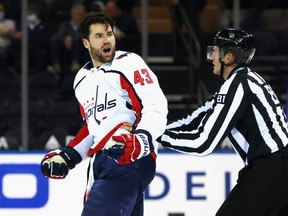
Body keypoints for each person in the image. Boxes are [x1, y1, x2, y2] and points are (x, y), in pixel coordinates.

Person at [40, 11, 168, 216]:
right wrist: (68, 156)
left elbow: (155, 106)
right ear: (86, 43)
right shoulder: (81, 79)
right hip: (100, 164)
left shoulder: (128, 63)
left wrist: (141, 140)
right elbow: (93, 127)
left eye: (109, 33)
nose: (106, 39)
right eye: (98, 36)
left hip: (127, 159)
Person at [158, 28, 288, 216]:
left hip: (271, 169)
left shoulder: (237, 86)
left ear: (228, 57)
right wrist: (153, 130)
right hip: (277, 167)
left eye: (214, 51)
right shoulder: (246, 80)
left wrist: (156, 137)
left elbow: (202, 143)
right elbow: (196, 118)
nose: (211, 57)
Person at [48, 3, 89, 78]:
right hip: (64, 47)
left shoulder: (86, 26)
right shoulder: (65, 25)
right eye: (79, 14)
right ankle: (56, 65)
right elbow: (60, 34)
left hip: (80, 47)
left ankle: (75, 63)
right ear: (73, 15)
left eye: (83, 14)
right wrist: (65, 39)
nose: (82, 16)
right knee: (54, 39)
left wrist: (71, 37)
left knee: (78, 38)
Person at [0, 1, 16, 73]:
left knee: (2, 54)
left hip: (4, 46)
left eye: (1, 10)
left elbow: (4, 33)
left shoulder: (10, 22)